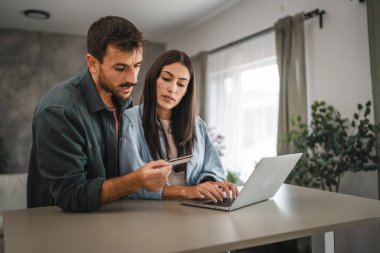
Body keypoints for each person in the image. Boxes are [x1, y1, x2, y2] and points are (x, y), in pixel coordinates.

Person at [27, 16, 171, 212]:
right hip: (57, 229)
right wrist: (137, 180)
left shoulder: (122, 100)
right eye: (121, 68)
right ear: (92, 63)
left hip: (109, 221)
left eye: (137, 65)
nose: (133, 78)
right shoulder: (59, 111)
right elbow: (72, 196)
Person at [119, 50, 238, 203]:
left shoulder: (197, 124)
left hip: (194, 209)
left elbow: (214, 169)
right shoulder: (131, 120)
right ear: (153, 79)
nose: (173, 89)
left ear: (186, 92)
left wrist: (210, 184)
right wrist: (185, 191)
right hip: (150, 213)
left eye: (181, 84)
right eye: (167, 78)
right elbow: (132, 184)